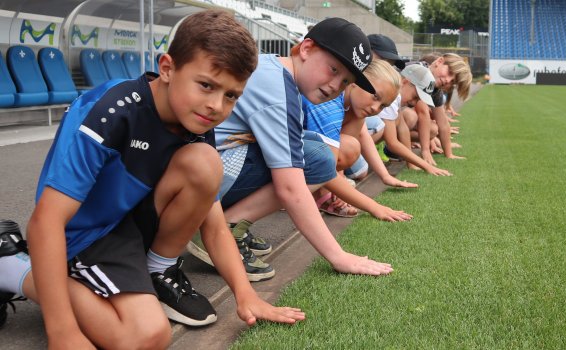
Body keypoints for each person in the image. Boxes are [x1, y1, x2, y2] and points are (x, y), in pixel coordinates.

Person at [0, 10, 304, 348]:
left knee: (205, 163)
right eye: (207, 85)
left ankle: (157, 270)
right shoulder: (111, 112)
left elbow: (214, 224)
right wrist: (64, 333)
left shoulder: (198, 118)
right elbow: (46, 223)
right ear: (168, 68)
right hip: (83, 235)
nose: (217, 105)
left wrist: (246, 294)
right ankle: (13, 267)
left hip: (129, 225)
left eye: (231, 95)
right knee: (146, 336)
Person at [186, 17, 393, 282]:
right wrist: (338, 256)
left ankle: (227, 222)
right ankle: (221, 227)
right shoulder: (277, 88)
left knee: (312, 148)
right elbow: (291, 188)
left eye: (344, 81)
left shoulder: (276, 69)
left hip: (204, 167)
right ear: (305, 49)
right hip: (196, 180)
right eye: (333, 69)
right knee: (317, 159)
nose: (334, 86)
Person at [302, 59, 415, 221]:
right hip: (271, 157)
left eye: (383, 106)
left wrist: (385, 175)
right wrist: (374, 207)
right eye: (375, 96)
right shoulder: (330, 103)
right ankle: (303, 191)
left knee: (350, 147)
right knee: (350, 148)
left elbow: (345, 145)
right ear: (356, 81)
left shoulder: (352, 105)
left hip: (296, 151)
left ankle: (316, 190)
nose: (376, 108)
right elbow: (326, 165)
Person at [402, 53, 472, 166]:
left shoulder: (436, 88)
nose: (448, 80)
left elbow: (443, 123)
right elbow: (422, 113)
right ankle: (395, 149)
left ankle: (397, 148)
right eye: (449, 73)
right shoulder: (420, 73)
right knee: (410, 117)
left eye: (453, 82)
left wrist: (449, 154)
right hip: (384, 115)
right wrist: (425, 150)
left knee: (433, 130)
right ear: (439, 62)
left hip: (393, 117)